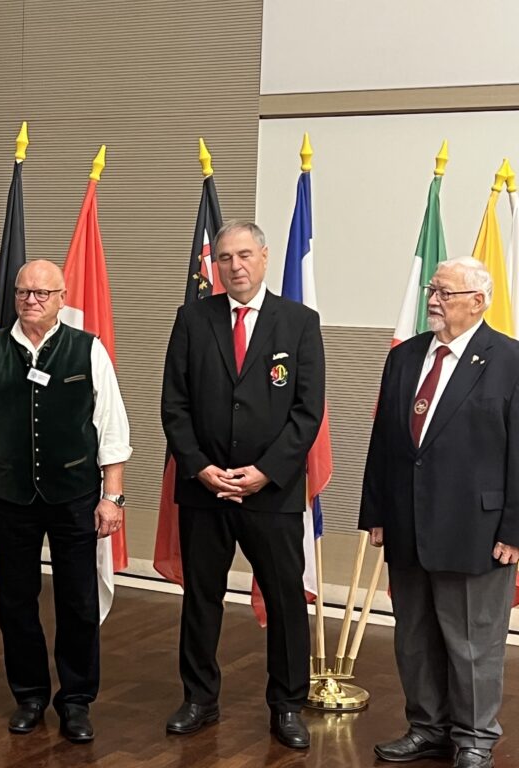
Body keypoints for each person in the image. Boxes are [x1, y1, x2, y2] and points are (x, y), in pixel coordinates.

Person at [0, 259, 131, 744]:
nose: (32, 300)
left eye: (42, 293)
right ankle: (29, 696)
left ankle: (76, 700)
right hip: (8, 497)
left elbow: (112, 430)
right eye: (24, 292)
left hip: (76, 497)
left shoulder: (88, 349)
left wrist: (112, 497)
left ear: (61, 298)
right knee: (15, 601)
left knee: (78, 600)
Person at [160, 220, 325, 750]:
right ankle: (199, 699)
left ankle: (287, 705)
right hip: (204, 488)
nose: (234, 266)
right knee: (201, 598)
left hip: (271, 492)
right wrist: (200, 466)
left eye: (244, 255)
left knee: (284, 600)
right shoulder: (192, 318)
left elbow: (307, 412)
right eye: (225, 258)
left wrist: (265, 472)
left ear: (265, 257)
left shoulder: (299, 322)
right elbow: (174, 405)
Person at [360, 258, 519, 768]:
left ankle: (474, 738)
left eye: (445, 292)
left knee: (472, 643)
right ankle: (427, 728)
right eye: (433, 289)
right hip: (407, 522)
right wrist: (376, 510)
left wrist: (515, 528)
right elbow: (385, 439)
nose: (433, 299)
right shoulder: (405, 357)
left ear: (479, 301)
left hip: (478, 529)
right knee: (414, 636)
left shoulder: (509, 360)